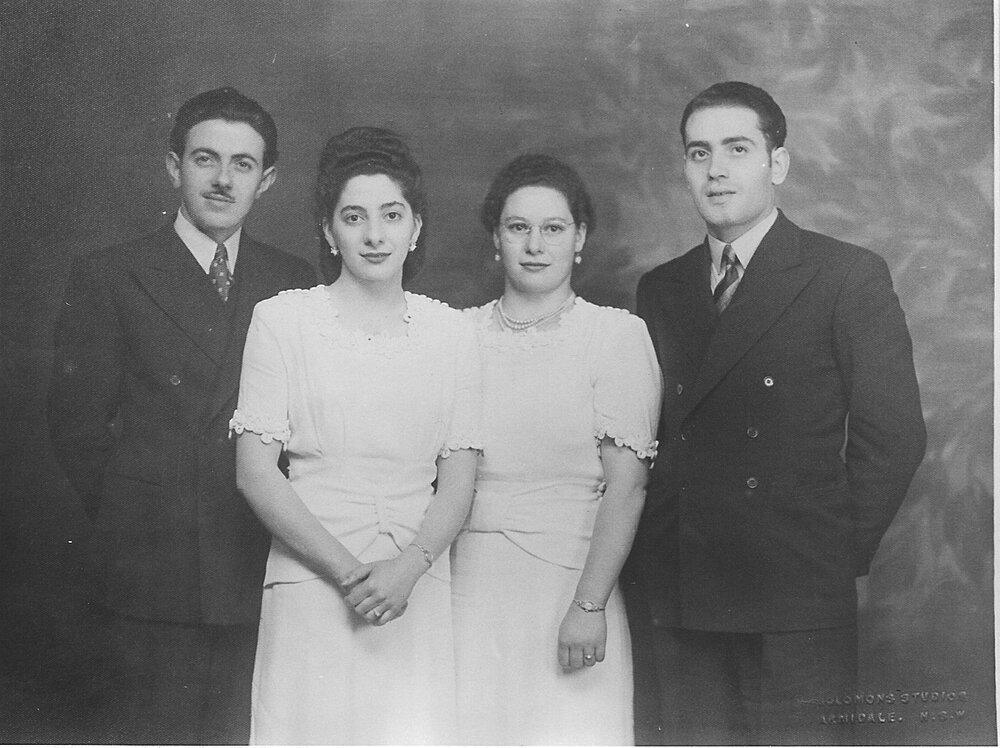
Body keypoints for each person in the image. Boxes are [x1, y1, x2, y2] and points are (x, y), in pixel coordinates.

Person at [627, 81, 927, 745]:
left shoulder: (845, 274)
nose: (716, 169)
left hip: (796, 593)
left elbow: (894, 436)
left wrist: (828, 555)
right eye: (699, 153)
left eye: (737, 149)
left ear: (778, 163)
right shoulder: (662, 288)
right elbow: (652, 440)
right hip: (685, 589)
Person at [46, 87, 315, 744]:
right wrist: (138, 507)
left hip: (257, 558)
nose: (223, 180)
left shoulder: (292, 279)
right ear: (173, 167)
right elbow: (77, 426)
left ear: (267, 180)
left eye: (243, 164)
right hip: (149, 568)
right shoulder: (110, 274)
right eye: (205, 159)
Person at [231, 126, 481, 745]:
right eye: (354, 217)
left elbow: (459, 483)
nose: (374, 235)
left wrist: (408, 569)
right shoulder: (282, 319)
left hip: (414, 586)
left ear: (415, 228)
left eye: (392, 215)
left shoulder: (453, 333)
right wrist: (349, 574)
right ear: (328, 230)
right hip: (312, 579)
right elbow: (255, 472)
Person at [452, 153, 662, 745]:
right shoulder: (455, 334)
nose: (535, 245)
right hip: (468, 585)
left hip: (571, 587)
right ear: (495, 238)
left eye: (553, 228)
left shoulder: (615, 336)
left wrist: (588, 605)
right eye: (518, 227)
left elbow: (628, 485)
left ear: (580, 238)